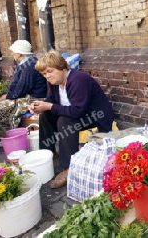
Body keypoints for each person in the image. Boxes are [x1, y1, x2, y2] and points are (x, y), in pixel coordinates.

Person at [29, 50, 114, 189]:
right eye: (44, 74)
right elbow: (50, 101)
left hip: (96, 116)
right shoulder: (54, 82)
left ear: (62, 68)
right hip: (76, 114)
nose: (47, 76)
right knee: (45, 115)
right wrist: (39, 106)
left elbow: (77, 111)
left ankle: (68, 167)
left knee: (65, 121)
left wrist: (49, 106)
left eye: (50, 71)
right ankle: (48, 154)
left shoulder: (77, 79)